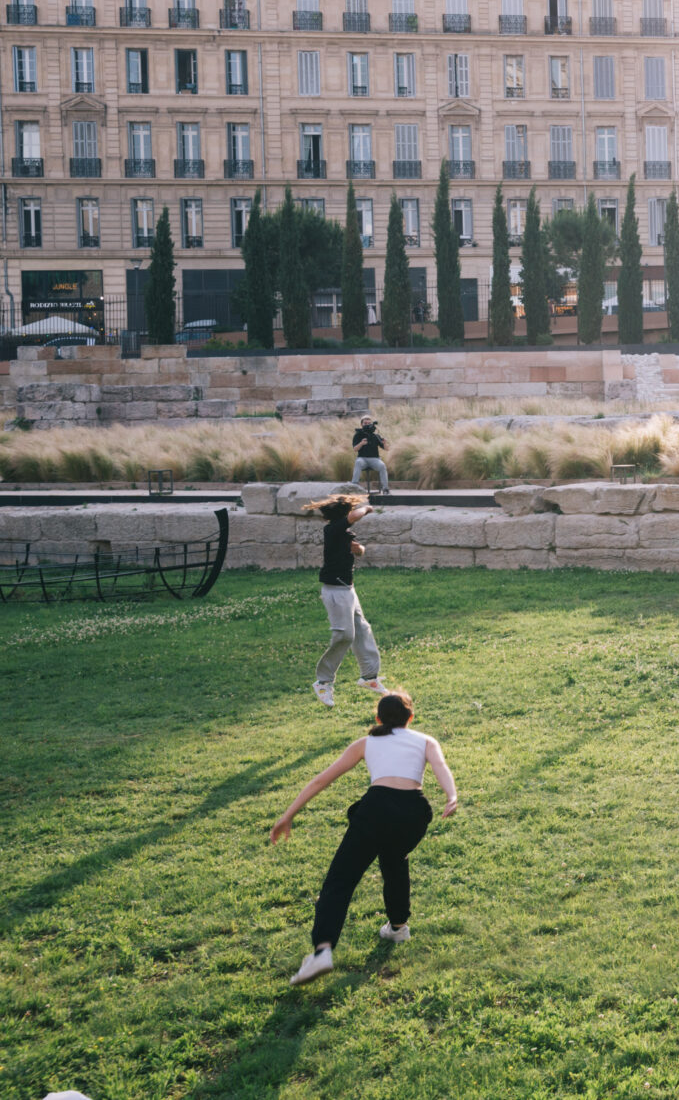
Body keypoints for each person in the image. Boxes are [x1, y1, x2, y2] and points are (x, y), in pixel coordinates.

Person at [270, 689, 458, 984]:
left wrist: (288, 814)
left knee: (341, 880)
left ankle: (322, 951)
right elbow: (441, 767)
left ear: (378, 719)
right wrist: (451, 795)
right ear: (410, 718)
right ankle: (398, 927)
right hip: (413, 813)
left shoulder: (366, 742)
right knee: (395, 860)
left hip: (377, 809)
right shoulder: (425, 740)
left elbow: (322, 779)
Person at [307, 492, 385, 706]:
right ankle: (323, 682)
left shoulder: (343, 533)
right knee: (344, 635)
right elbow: (355, 516)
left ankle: (369, 677)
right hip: (335, 591)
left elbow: (359, 551)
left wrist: (359, 549)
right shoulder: (333, 529)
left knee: (362, 630)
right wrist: (367, 508)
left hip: (348, 590)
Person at [351, 416, 390, 494]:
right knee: (358, 462)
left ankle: (385, 488)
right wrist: (361, 443)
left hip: (375, 459)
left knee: (382, 465)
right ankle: (354, 486)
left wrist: (385, 443)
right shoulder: (358, 435)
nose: (367, 425)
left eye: (369, 423)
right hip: (362, 459)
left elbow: (386, 449)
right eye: (365, 423)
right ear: (361, 424)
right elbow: (355, 449)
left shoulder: (375, 436)